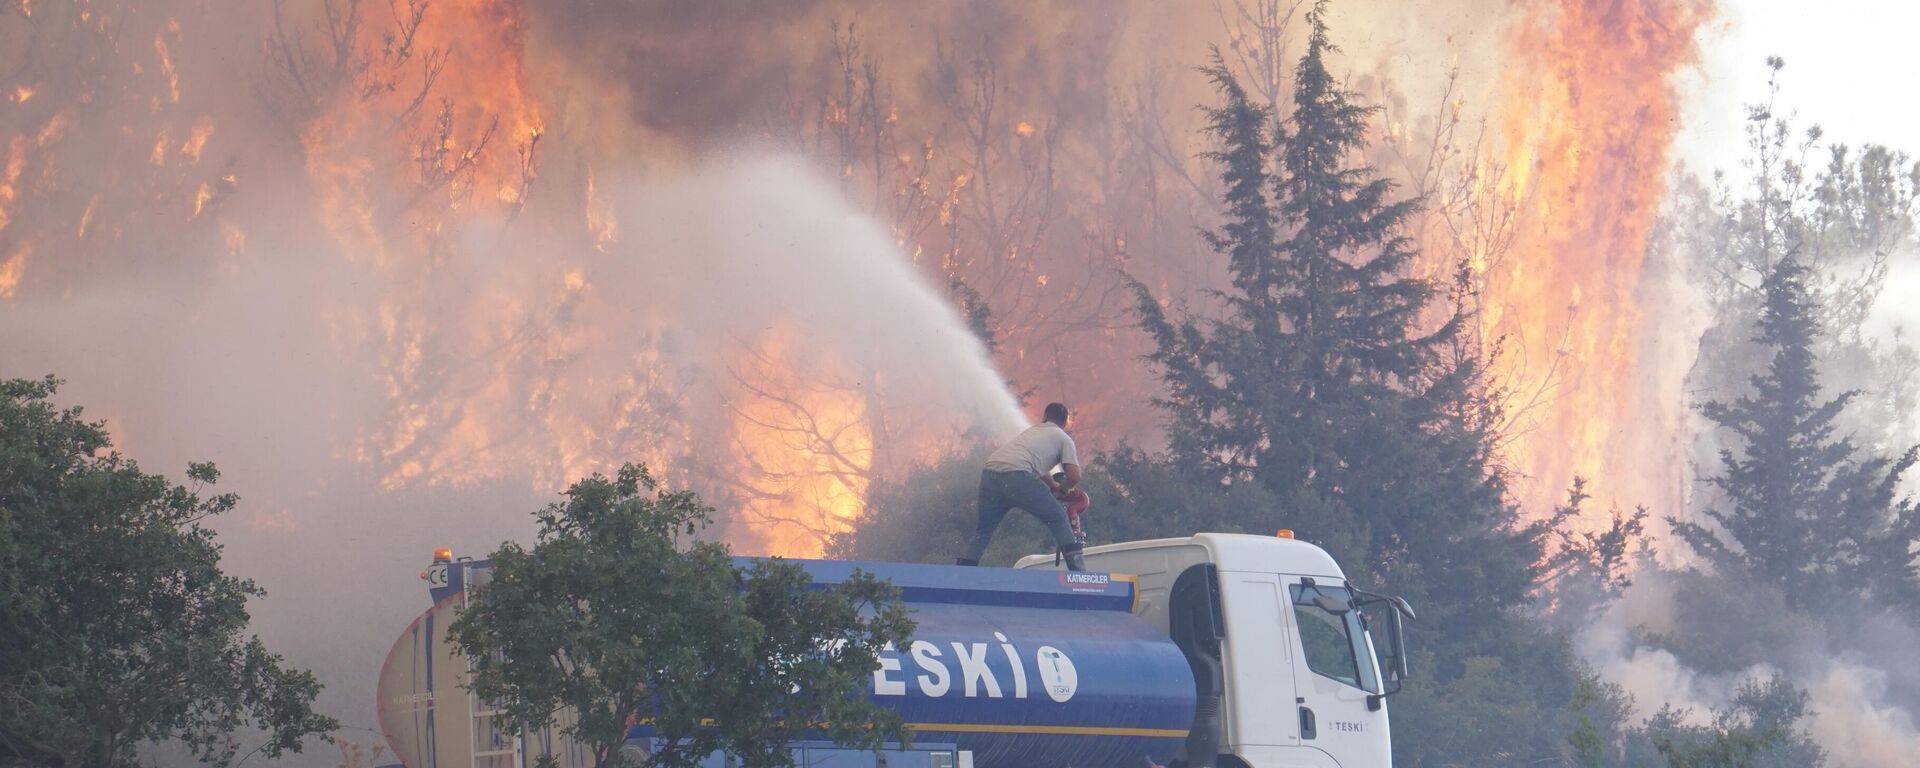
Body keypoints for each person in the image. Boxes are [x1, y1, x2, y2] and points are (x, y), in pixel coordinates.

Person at [959, 402, 1086, 571]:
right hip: (1017, 477)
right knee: (1057, 517)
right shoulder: (1064, 438)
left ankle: (964, 572)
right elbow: (1074, 476)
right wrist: (1064, 488)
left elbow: (1033, 464)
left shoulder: (1032, 432)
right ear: (1065, 423)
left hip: (990, 473)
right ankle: (1079, 574)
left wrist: (1053, 485)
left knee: (983, 531)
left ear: (1045, 417)